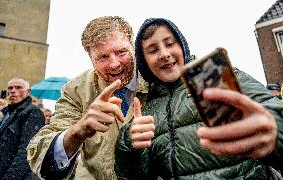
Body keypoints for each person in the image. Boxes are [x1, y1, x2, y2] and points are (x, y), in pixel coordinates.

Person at [115, 18, 283, 179]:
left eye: (170, 44)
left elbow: (274, 111)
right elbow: (138, 175)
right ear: (144, 61)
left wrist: (273, 130)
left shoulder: (217, 76)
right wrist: (129, 145)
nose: (164, 54)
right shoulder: (147, 110)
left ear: (182, 46)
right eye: (153, 50)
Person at [27, 16, 148, 179]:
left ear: (133, 47)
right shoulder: (75, 90)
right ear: (91, 60)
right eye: (103, 57)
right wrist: (79, 130)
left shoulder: (156, 75)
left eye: (121, 52)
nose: (114, 64)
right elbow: (42, 152)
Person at [0, 77, 45, 179]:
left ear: (28, 92)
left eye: (18, 87)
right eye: (10, 88)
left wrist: (10, 177)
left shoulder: (33, 112)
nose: (13, 91)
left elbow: (27, 151)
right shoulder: (6, 112)